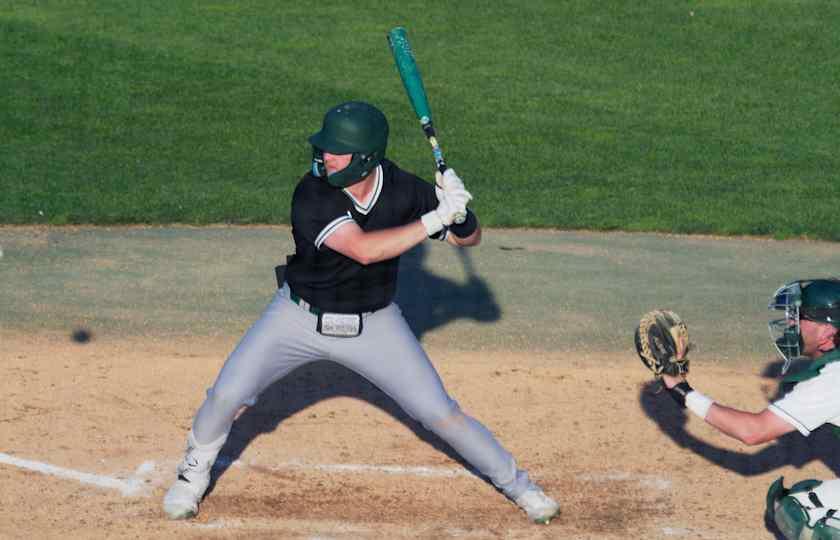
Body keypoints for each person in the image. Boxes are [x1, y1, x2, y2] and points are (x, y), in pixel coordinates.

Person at [162, 101, 560, 524]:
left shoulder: (404, 189)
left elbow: (470, 239)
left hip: (376, 325)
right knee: (226, 395)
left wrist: (459, 212)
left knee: (442, 414)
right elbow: (363, 251)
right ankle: (191, 474)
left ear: (366, 157)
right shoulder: (313, 192)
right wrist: (434, 219)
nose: (324, 156)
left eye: (336, 150)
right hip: (295, 320)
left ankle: (521, 487)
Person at [658, 278, 840, 539]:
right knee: (806, 497)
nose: (791, 323)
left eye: (801, 317)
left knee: (807, 517)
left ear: (826, 333)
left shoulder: (832, 380)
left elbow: (752, 431)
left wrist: (681, 390)